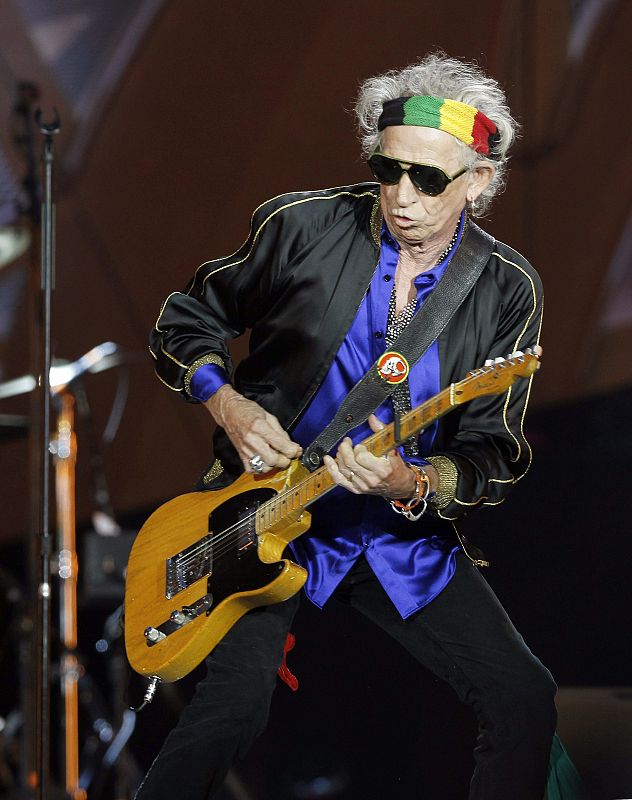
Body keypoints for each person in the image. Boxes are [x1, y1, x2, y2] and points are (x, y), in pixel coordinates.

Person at [138, 53, 556, 799]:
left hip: (391, 530)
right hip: (259, 512)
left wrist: (413, 480)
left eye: (429, 180)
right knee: (230, 710)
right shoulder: (299, 226)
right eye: (387, 169)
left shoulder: (506, 289)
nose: (401, 196)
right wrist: (225, 402)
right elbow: (187, 319)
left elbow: (493, 450)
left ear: (479, 181)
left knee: (524, 698)